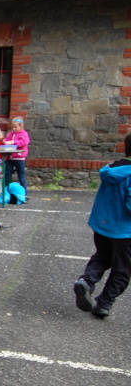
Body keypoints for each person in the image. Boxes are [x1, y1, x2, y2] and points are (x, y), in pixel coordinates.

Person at [73, 132, 131, 319]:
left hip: (102, 226)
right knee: (122, 269)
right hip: (124, 231)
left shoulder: (111, 168)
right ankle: (104, 303)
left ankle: (86, 282)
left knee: (102, 256)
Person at [3, 117, 31, 195]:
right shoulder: (10, 134)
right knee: (7, 175)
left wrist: (12, 142)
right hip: (10, 158)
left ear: (21, 126)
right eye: (12, 127)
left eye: (16, 127)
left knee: (21, 177)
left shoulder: (24, 134)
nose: (14, 129)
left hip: (20, 158)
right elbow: (6, 141)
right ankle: (6, 193)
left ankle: (24, 194)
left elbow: (24, 142)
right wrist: (4, 141)